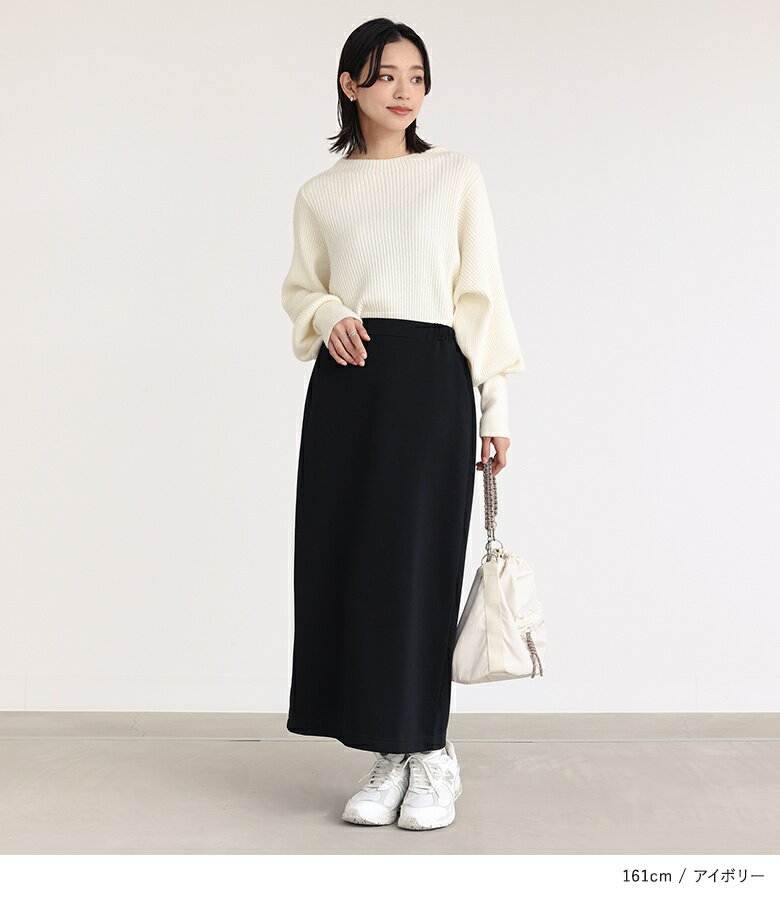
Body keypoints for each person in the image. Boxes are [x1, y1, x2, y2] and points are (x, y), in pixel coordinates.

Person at [280, 18, 525, 831]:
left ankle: (431, 751)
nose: (404, 90)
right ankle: (390, 750)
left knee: (415, 566)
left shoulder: (453, 174)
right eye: (386, 75)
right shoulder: (320, 193)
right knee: (348, 566)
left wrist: (495, 406)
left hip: (429, 383)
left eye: (416, 76)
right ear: (350, 83)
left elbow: (481, 295)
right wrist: (328, 313)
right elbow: (301, 290)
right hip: (348, 388)